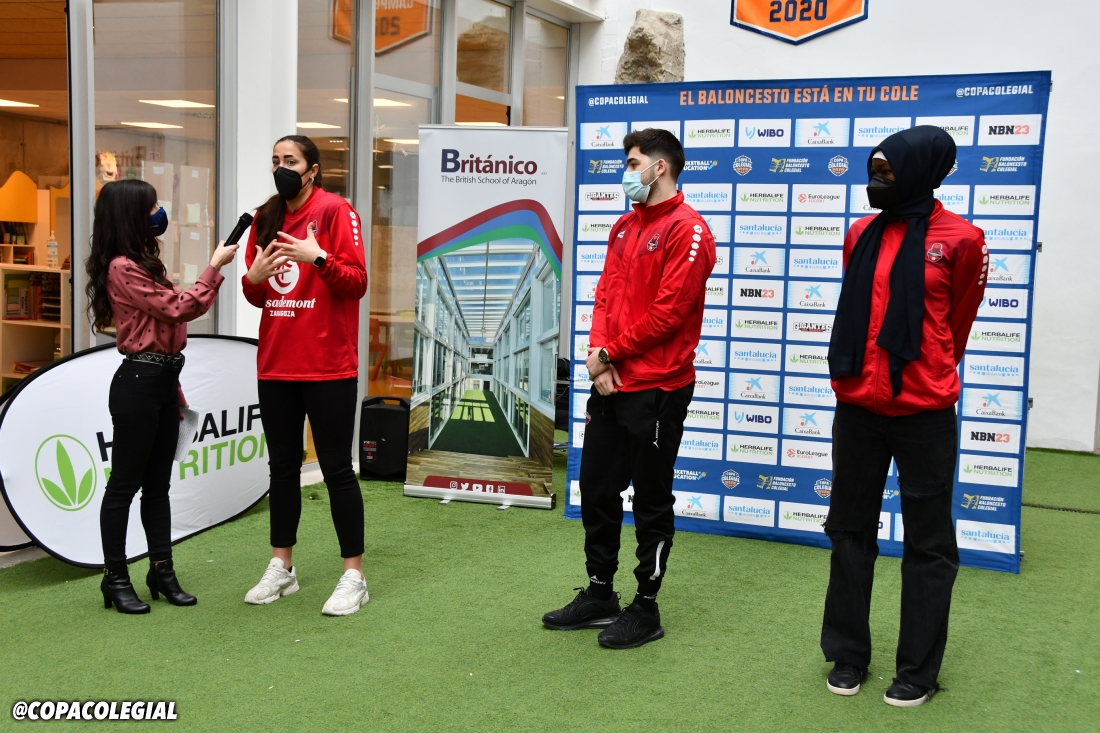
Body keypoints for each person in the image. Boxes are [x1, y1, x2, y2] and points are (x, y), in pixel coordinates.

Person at [822, 126, 987, 706]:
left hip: (924, 413)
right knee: (850, 532)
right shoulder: (860, 232)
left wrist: (928, 369)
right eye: (875, 170)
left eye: (888, 171)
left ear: (921, 172)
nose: (877, 181)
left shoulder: (963, 239)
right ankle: (848, 655)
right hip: (857, 407)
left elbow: (957, 321)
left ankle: (917, 670)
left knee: (928, 544)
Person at [542, 128, 715, 649]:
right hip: (610, 383)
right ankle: (600, 593)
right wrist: (598, 359)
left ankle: (646, 606)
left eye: (633, 162)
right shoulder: (624, 226)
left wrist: (609, 354)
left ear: (659, 167)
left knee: (651, 500)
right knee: (597, 488)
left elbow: (668, 314)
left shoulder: (689, 231)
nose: (626, 172)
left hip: (659, 387)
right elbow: (604, 297)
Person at [86, 179, 238, 614]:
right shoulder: (122, 267)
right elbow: (179, 308)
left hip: (163, 381)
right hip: (138, 383)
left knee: (158, 487)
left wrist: (175, 389)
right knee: (123, 486)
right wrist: (214, 267)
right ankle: (115, 578)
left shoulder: (143, 262)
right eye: (151, 206)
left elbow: (169, 324)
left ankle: (162, 571)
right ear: (132, 215)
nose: (159, 212)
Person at [240, 135, 369, 616]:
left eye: (290, 160)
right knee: (281, 468)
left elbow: (357, 283)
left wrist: (318, 258)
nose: (281, 168)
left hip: (328, 365)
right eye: (275, 160)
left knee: (336, 469)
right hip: (276, 364)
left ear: (312, 169)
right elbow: (259, 294)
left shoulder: (336, 212)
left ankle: (353, 575)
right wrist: (252, 280)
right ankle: (282, 566)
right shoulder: (265, 217)